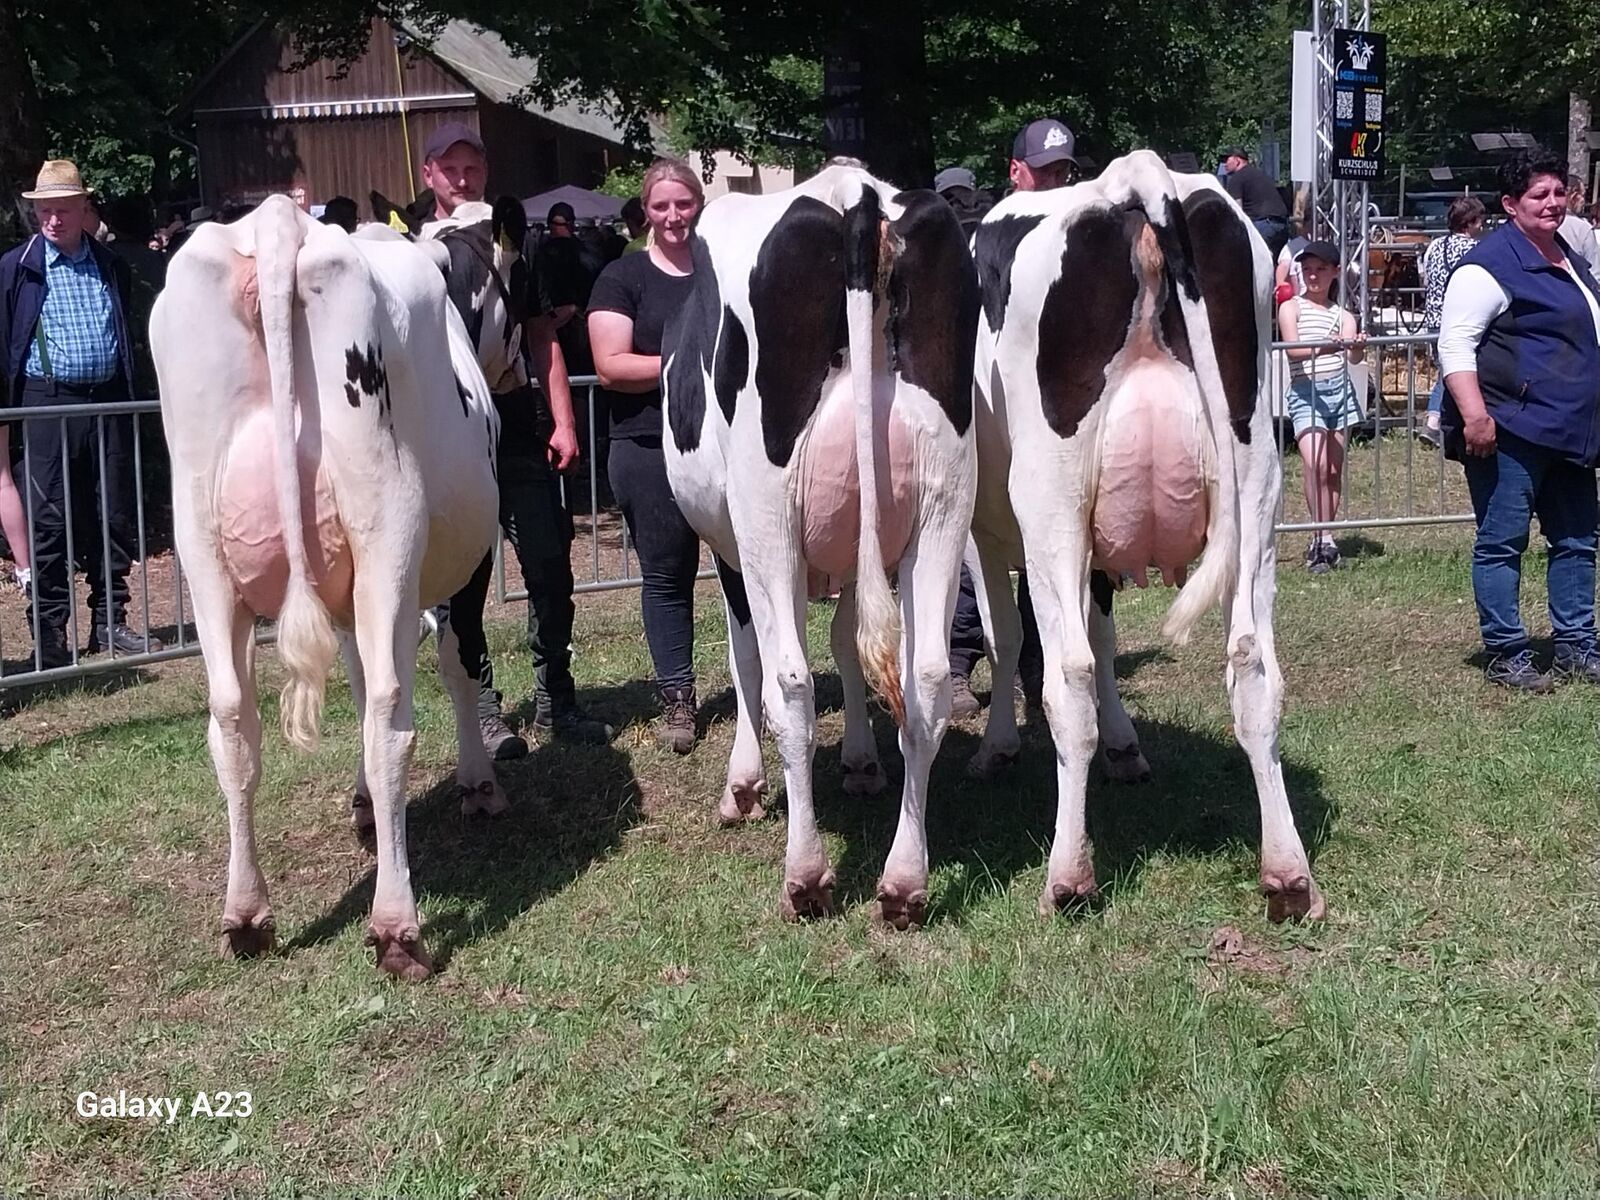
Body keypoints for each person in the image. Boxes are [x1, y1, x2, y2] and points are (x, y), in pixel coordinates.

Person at [419, 122, 612, 752]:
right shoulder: (413, 257)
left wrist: (563, 418)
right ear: (429, 175)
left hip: (515, 421)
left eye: (472, 167)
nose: (463, 178)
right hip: (451, 431)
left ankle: (559, 699)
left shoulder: (514, 245)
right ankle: (483, 710)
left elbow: (541, 336)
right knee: (461, 581)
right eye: (451, 168)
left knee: (551, 565)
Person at [1439, 148, 1600, 691]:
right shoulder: (1488, 265)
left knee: (1577, 540)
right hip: (1509, 429)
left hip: (1570, 431)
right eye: (1539, 195)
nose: (1553, 203)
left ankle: (1577, 644)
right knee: (1503, 541)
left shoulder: (1565, 255)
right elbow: (1456, 345)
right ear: (1510, 204)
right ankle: (1507, 652)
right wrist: (1475, 417)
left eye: (1558, 192)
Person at [0, 160, 163, 667]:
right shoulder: (15, 268)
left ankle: (110, 621)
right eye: (44, 211)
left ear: (83, 209)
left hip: (108, 397)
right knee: (48, 516)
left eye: (63, 210)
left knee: (113, 511)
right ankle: (49, 633)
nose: (53, 221)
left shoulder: (109, 263)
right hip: (45, 401)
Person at [946, 122, 1070, 718]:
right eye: (1043, 170)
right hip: (988, 425)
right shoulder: (985, 242)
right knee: (979, 555)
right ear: (1015, 171)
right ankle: (961, 663)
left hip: (1053, 429)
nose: (1054, 180)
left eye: (1062, 171)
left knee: (1052, 559)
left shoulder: (1076, 239)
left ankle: (1033, 674)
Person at [588, 158, 705, 752]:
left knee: (745, 574)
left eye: (682, 203)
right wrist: (693, 368)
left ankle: (759, 683)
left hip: (726, 448)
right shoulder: (623, 275)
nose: (673, 216)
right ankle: (679, 699)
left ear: (698, 203)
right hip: (646, 445)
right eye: (661, 206)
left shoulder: (719, 266)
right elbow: (611, 366)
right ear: (646, 211)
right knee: (667, 576)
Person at [1277, 239, 1367, 573]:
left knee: (1332, 469)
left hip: (1339, 391)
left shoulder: (1343, 315)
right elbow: (1293, 350)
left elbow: (1354, 355)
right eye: (1307, 270)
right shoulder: (1292, 308)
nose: (1312, 276)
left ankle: (1326, 537)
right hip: (1305, 392)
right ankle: (1318, 534)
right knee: (1315, 463)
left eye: (1320, 270)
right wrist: (1329, 349)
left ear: (1334, 273)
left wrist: (1356, 345)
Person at [1419, 196, 1486, 443]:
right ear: (1470, 223)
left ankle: (1437, 421)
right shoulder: (1477, 250)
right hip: (1462, 319)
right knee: (1455, 371)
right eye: (1480, 221)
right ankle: (1434, 422)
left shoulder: (1435, 246)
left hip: (1435, 318)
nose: (1482, 226)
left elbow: (1424, 278)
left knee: (1446, 370)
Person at [1221, 147, 1290, 261]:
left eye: (1227, 159)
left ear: (1238, 160)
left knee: (1246, 261)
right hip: (1282, 224)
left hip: (1263, 225)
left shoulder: (1237, 178)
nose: (1224, 164)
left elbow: (1237, 211)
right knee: (1275, 263)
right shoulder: (1258, 174)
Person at [1558, 178, 1599, 270]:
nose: (1583, 201)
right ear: (1574, 196)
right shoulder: (1583, 228)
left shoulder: (1543, 222)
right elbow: (1594, 271)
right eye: (1583, 195)